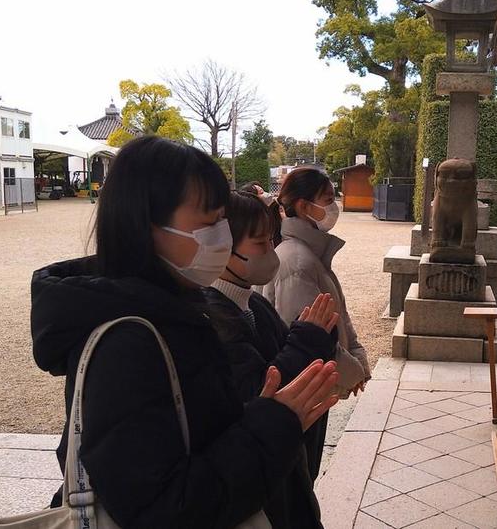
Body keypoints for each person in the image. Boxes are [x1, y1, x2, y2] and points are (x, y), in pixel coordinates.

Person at [30, 136, 338, 528]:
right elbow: (161, 508)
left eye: (223, 219)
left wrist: (259, 415)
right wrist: (272, 424)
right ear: (145, 223)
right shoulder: (126, 344)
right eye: (209, 221)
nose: (222, 236)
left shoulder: (183, 309)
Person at [203, 190, 338, 528]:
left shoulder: (253, 304)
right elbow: (262, 387)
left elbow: (288, 351)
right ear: (223, 249)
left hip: (284, 465)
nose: (271, 253)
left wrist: (316, 334)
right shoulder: (213, 317)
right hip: (259, 476)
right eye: (259, 244)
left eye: (270, 240)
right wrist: (309, 337)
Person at [265, 167, 371, 479]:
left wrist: (358, 361)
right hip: (303, 392)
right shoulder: (296, 262)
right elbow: (310, 339)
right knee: (300, 476)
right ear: (302, 206)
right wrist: (354, 371)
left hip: (315, 388)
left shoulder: (309, 255)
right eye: (327, 199)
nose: (333, 205)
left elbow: (339, 317)